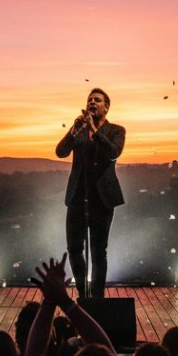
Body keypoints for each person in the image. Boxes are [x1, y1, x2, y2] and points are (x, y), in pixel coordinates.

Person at [56, 88, 125, 298]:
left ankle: (97, 298)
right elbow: (60, 152)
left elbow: (114, 152)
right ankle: (84, 295)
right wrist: (73, 129)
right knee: (74, 248)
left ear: (106, 107)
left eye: (97, 100)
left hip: (102, 198)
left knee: (98, 251)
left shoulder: (116, 130)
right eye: (89, 100)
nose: (92, 103)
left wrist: (95, 130)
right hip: (77, 196)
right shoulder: (79, 130)